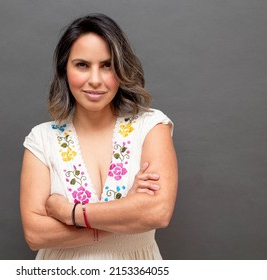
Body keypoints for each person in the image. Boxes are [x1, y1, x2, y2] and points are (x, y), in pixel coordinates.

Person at [20, 13, 178, 260]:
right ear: (65, 69)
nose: (95, 80)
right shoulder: (41, 139)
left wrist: (69, 213)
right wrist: (124, 215)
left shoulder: (151, 126)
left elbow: (157, 212)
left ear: (121, 68)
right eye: (82, 65)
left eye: (107, 65)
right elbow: (35, 234)